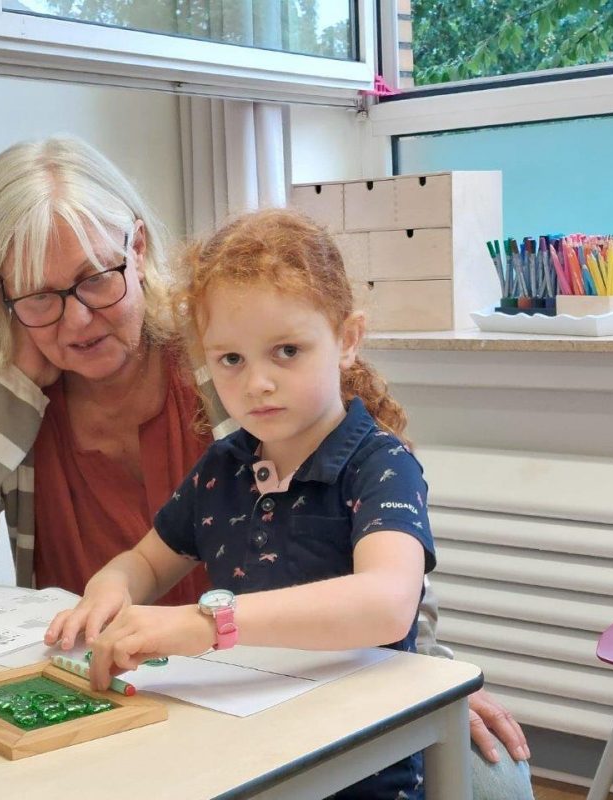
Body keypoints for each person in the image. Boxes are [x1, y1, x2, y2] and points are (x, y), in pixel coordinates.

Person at [0, 136, 532, 798]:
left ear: (137, 249)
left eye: (95, 279)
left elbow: (378, 582)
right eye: (40, 296)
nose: (76, 319)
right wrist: (16, 386)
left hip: (262, 680)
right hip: (119, 687)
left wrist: (421, 674)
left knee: (493, 779)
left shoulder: (223, 347)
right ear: (2, 297)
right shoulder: (15, 388)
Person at [46, 207, 435, 799]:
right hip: (244, 749)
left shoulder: (381, 466)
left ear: (347, 340)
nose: (257, 383)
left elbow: (386, 604)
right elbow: (147, 561)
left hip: (359, 769)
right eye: (231, 359)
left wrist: (206, 624)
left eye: (287, 351)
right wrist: (110, 587)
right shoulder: (221, 468)